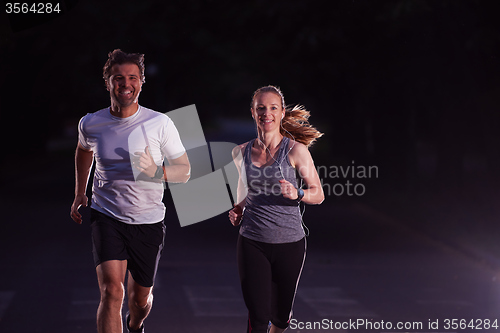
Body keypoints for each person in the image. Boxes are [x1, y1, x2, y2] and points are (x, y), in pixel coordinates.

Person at [70, 49, 190, 333]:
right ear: (108, 82)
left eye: (132, 77)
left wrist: (157, 172)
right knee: (112, 292)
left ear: (142, 81)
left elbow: (184, 171)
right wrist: (79, 192)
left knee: (139, 300)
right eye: (118, 78)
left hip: (148, 221)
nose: (126, 84)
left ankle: (135, 324)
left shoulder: (160, 123)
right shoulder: (91, 123)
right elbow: (83, 151)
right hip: (106, 216)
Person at [228, 85, 324, 333]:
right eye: (261, 108)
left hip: (290, 244)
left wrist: (298, 193)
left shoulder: (295, 151)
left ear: (282, 113)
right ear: (253, 112)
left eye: (272, 108)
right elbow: (243, 191)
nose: (266, 113)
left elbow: (318, 193)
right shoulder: (240, 152)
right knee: (258, 317)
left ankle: (280, 321)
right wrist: (237, 209)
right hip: (252, 241)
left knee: (280, 317)